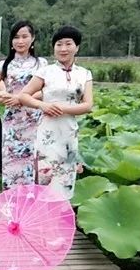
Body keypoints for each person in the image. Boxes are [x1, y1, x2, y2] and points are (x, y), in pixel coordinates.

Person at [18, 25, 93, 199]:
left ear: (77, 47)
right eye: (59, 44)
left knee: (66, 181)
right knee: (46, 179)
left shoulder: (84, 74)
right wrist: (42, 105)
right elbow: (23, 96)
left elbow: (88, 105)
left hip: (69, 132)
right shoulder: (45, 71)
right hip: (47, 132)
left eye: (68, 44)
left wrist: (62, 109)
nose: (63, 48)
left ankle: (60, 223)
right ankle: (44, 224)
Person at [0, 21, 48, 189]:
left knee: (36, 164)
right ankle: (13, 209)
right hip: (13, 122)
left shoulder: (42, 64)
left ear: (32, 39)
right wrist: (4, 94)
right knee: (12, 165)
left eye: (25, 36)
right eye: (16, 37)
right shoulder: (4, 65)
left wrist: (21, 98)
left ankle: (33, 209)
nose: (20, 41)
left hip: (35, 119)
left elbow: (47, 91)